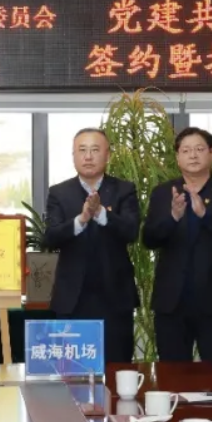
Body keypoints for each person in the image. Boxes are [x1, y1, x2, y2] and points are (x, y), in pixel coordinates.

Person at [143, 126, 212, 372]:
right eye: (186, 150)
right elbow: (149, 239)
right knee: (173, 377)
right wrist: (172, 216)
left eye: (200, 149)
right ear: (177, 157)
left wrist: (206, 215)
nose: (193, 155)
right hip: (172, 303)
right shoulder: (163, 193)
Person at [43, 127, 141, 364]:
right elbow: (51, 237)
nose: (88, 156)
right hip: (72, 298)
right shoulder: (59, 193)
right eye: (82, 150)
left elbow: (131, 232)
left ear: (107, 155)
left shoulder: (124, 190)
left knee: (117, 368)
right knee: (73, 369)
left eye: (95, 150)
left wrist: (101, 214)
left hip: (115, 297)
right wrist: (82, 219)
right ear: (73, 156)